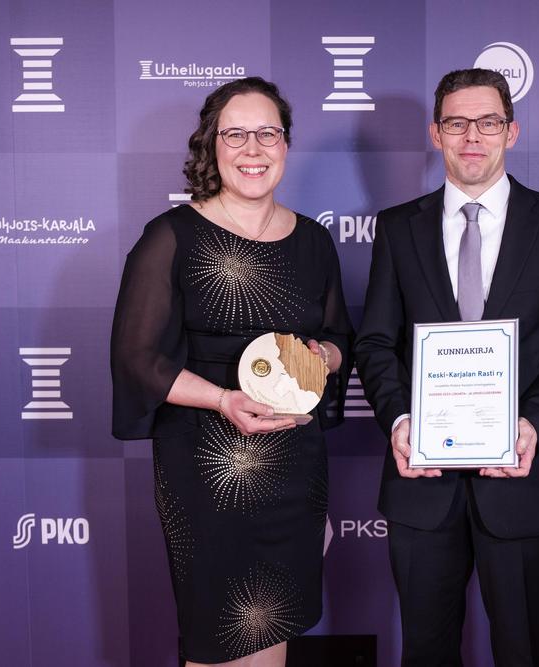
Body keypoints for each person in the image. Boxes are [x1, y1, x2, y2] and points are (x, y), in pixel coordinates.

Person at [354, 69, 539, 666]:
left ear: (511, 132)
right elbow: (375, 344)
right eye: (457, 123)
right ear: (436, 133)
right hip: (421, 485)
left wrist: (533, 425)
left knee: (522, 651)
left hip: (522, 482)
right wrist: (401, 422)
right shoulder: (397, 228)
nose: (472, 136)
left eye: (488, 122)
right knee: (425, 652)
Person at [111, 77, 353, 667]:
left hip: (294, 464)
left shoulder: (314, 241)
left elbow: (339, 339)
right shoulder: (172, 236)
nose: (253, 148)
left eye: (267, 133)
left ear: (286, 144)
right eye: (236, 134)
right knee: (216, 635)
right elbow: (137, 357)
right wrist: (223, 400)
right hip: (207, 465)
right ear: (211, 145)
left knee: (272, 625)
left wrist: (320, 358)